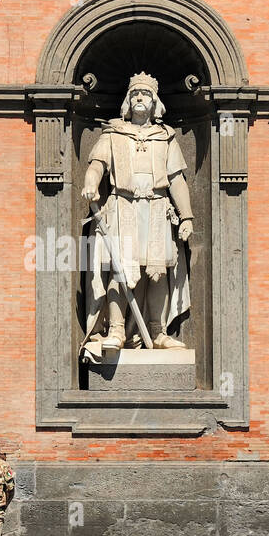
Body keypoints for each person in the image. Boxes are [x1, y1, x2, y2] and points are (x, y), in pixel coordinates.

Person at [79, 72, 195, 362]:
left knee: (158, 273)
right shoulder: (113, 133)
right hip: (122, 206)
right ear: (127, 101)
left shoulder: (165, 136)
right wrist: (92, 182)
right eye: (135, 94)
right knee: (120, 270)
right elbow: (97, 165)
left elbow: (177, 179)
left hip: (157, 208)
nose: (139, 98)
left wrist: (187, 217)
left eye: (145, 94)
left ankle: (157, 332)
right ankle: (116, 330)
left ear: (155, 101)